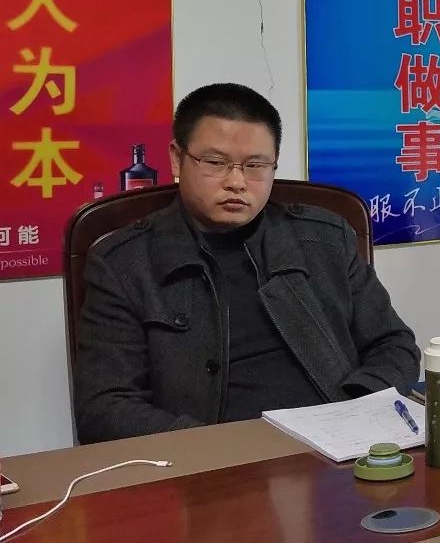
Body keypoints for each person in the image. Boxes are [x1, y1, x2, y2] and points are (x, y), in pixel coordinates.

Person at [74, 83, 421, 443]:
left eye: (255, 165)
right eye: (215, 163)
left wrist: (354, 414)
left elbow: (394, 345)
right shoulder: (124, 263)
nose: (237, 182)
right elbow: (104, 408)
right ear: (177, 158)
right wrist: (219, 447)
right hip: (213, 461)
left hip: (340, 450)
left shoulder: (326, 239)